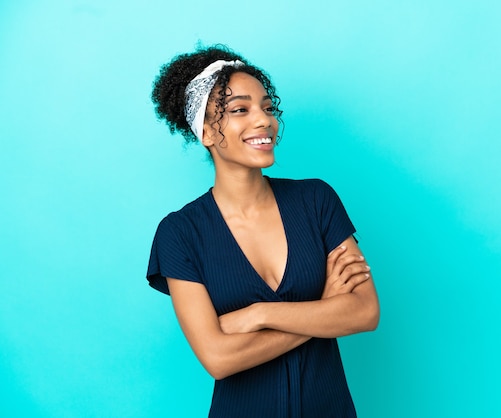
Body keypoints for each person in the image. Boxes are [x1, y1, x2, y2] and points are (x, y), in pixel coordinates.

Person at [147, 44, 380, 418]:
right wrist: (323, 309)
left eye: (268, 108)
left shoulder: (315, 200)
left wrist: (259, 314)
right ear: (206, 132)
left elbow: (364, 312)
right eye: (241, 110)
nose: (265, 121)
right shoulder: (179, 233)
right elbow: (219, 359)